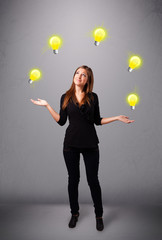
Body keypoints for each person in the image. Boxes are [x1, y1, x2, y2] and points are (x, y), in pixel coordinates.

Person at [30, 65, 134, 231]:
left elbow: (97, 120)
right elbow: (61, 121)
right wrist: (47, 106)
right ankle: (74, 213)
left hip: (90, 144)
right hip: (70, 144)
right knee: (73, 180)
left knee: (93, 180)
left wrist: (117, 117)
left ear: (88, 80)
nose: (79, 76)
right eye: (77, 73)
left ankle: (99, 215)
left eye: (83, 75)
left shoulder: (93, 97)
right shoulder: (66, 96)